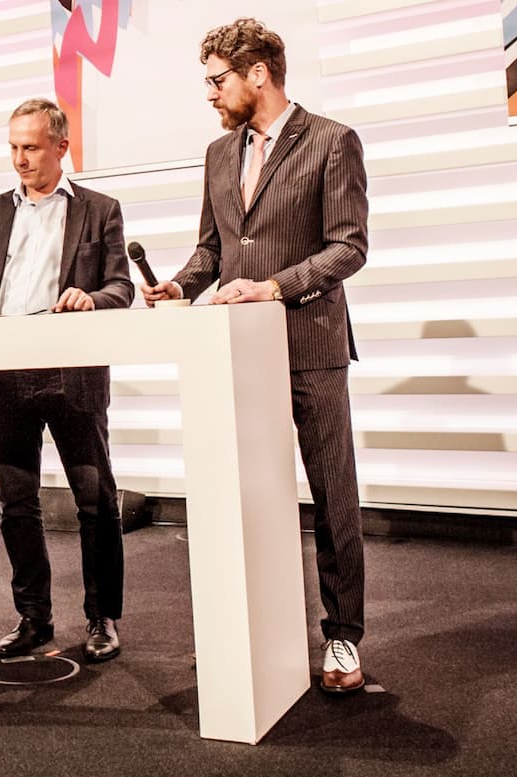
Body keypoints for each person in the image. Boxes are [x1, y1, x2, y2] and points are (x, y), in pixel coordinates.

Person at [142, 18, 371, 693]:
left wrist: (275, 287)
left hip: (310, 345)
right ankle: (257, 633)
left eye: (217, 81)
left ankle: (343, 639)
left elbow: (349, 246)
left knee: (332, 497)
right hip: (234, 356)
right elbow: (214, 249)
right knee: (249, 498)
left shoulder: (331, 141)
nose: (210, 95)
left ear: (258, 74)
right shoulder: (218, 154)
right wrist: (179, 285)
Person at [0, 98, 134, 663]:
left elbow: (121, 288)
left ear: (62, 147)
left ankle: (102, 617)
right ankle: (33, 617)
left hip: (71, 371)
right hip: (3, 374)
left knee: (95, 499)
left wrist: (91, 297)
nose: (20, 159)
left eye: (31, 147)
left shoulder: (99, 208)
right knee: (16, 503)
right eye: (13, 147)